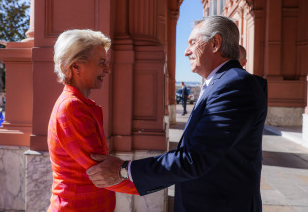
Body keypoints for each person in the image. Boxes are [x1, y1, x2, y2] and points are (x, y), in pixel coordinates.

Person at [87, 16, 267, 212]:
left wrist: (123, 170)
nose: (186, 51)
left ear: (215, 43)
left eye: (192, 43)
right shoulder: (221, 83)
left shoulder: (234, 85)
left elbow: (193, 158)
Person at [47, 29, 138, 212]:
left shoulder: (78, 104)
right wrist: (162, 179)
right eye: (102, 63)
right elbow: (102, 173)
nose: (108, 69)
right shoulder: (71, 107)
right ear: (76, 66)